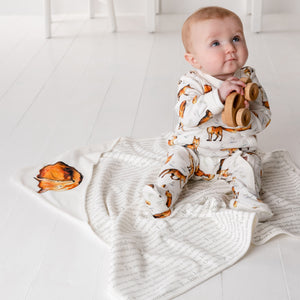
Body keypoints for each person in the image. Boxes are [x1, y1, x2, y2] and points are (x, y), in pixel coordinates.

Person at [143, 6, 273, 221]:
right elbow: (188, 116)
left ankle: (247, 199)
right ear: (194, 60)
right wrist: (218, 97)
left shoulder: (248, 78)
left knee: (250, 164)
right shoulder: (190, 82)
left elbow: (265, 115)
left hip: (234, 152)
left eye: (236, 38)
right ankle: (163, 195)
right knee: (176, 161)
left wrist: (248, 118)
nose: (230, 48)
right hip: (193, 149)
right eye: (216, 43)